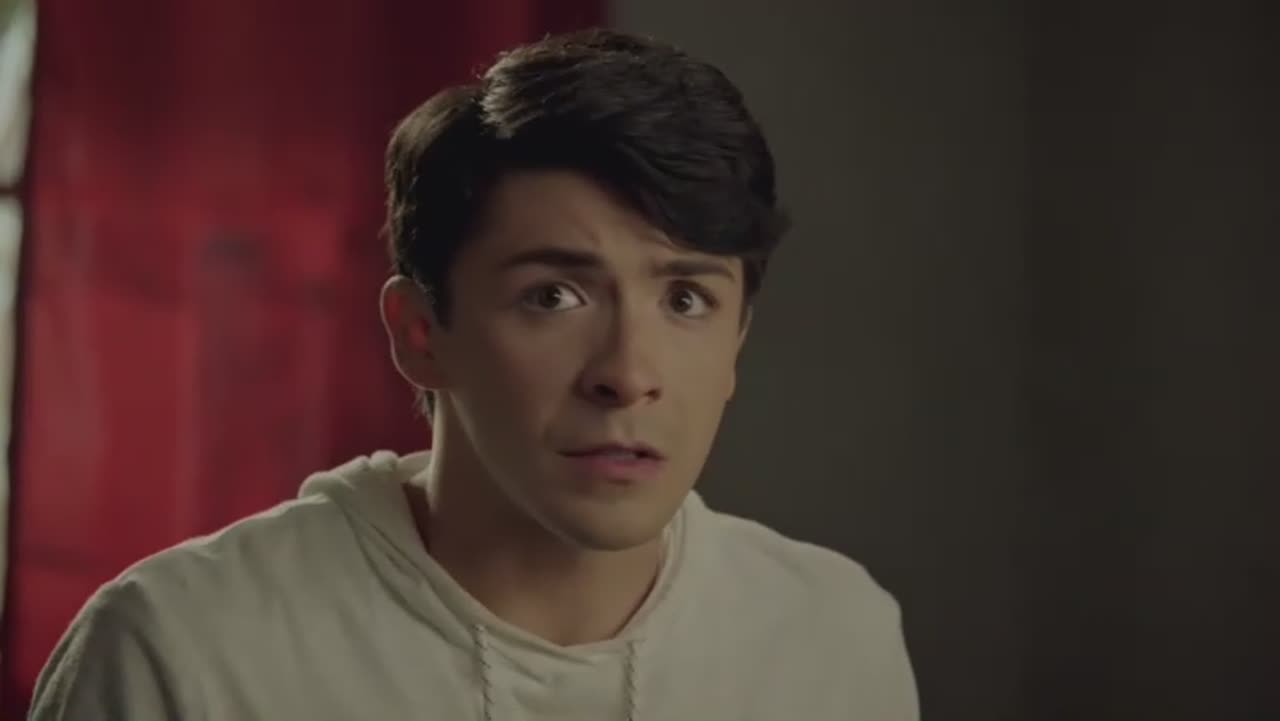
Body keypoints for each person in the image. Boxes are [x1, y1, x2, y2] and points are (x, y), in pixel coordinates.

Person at [29, 28, 918, 721]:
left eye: (686, 299)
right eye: (553, 295)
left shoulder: (832, 636)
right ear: (420, 332)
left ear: (736, 341)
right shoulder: (182, 650)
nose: (627, 373)